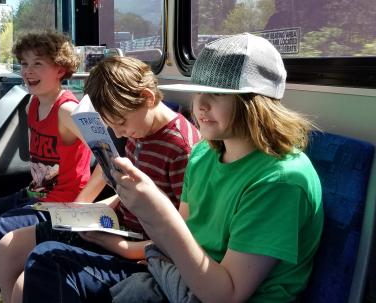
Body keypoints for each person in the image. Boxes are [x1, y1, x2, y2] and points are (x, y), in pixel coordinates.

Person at [25, 33, 324, 303]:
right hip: (178, 274)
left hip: (221, 292)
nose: (201, 105)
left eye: (217, 94)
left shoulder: (280, 180)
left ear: (255, 103)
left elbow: (227, 294)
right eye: (198, 92)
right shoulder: (203, 156)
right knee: (48, 261)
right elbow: (181, 239)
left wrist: (156, 212)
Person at [0, 56, 201, 303]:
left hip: (140, 249)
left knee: (32, 277)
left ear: (147, 98)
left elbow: (183, 237)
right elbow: (132, 192)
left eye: (120, 123)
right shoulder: (140, 128)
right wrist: (94, 211)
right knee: (10, 245)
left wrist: (115, 244)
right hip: (115, 225)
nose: (118, 133)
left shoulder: (181, 149)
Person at [0, 30, 92, 303]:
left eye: (38, 63)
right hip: (34, 195)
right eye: (24, 64)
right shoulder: (33, 104)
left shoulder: (68, 112)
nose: (28, 71)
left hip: (60, 203)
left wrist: (83, 201)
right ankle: (10, 293)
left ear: (60, 69)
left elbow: (107, 157)